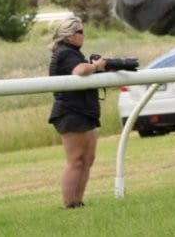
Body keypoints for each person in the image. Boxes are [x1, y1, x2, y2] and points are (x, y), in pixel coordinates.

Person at [48, 17, 107, 209]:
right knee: (76, 160)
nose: (83, 35)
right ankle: (69, 204)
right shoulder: (66, 53)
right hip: (71, 112)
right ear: (70, 35)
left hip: (84, 112)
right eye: (80, 32)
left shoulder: (72, 52)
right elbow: (80, 71)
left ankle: (77, 202)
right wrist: (97, 66)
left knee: (87, 159)